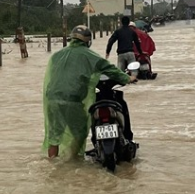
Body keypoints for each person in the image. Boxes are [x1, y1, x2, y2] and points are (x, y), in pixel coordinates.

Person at [43, 25, 137, 159]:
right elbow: (110, 68)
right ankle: (71, 161)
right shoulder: (89, 55)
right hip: (72, 100)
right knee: (80, 132)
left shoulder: (56, 56)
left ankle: (54, 165)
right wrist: (128, 78)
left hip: (52, 99)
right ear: (87, 41)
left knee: (54, 136)